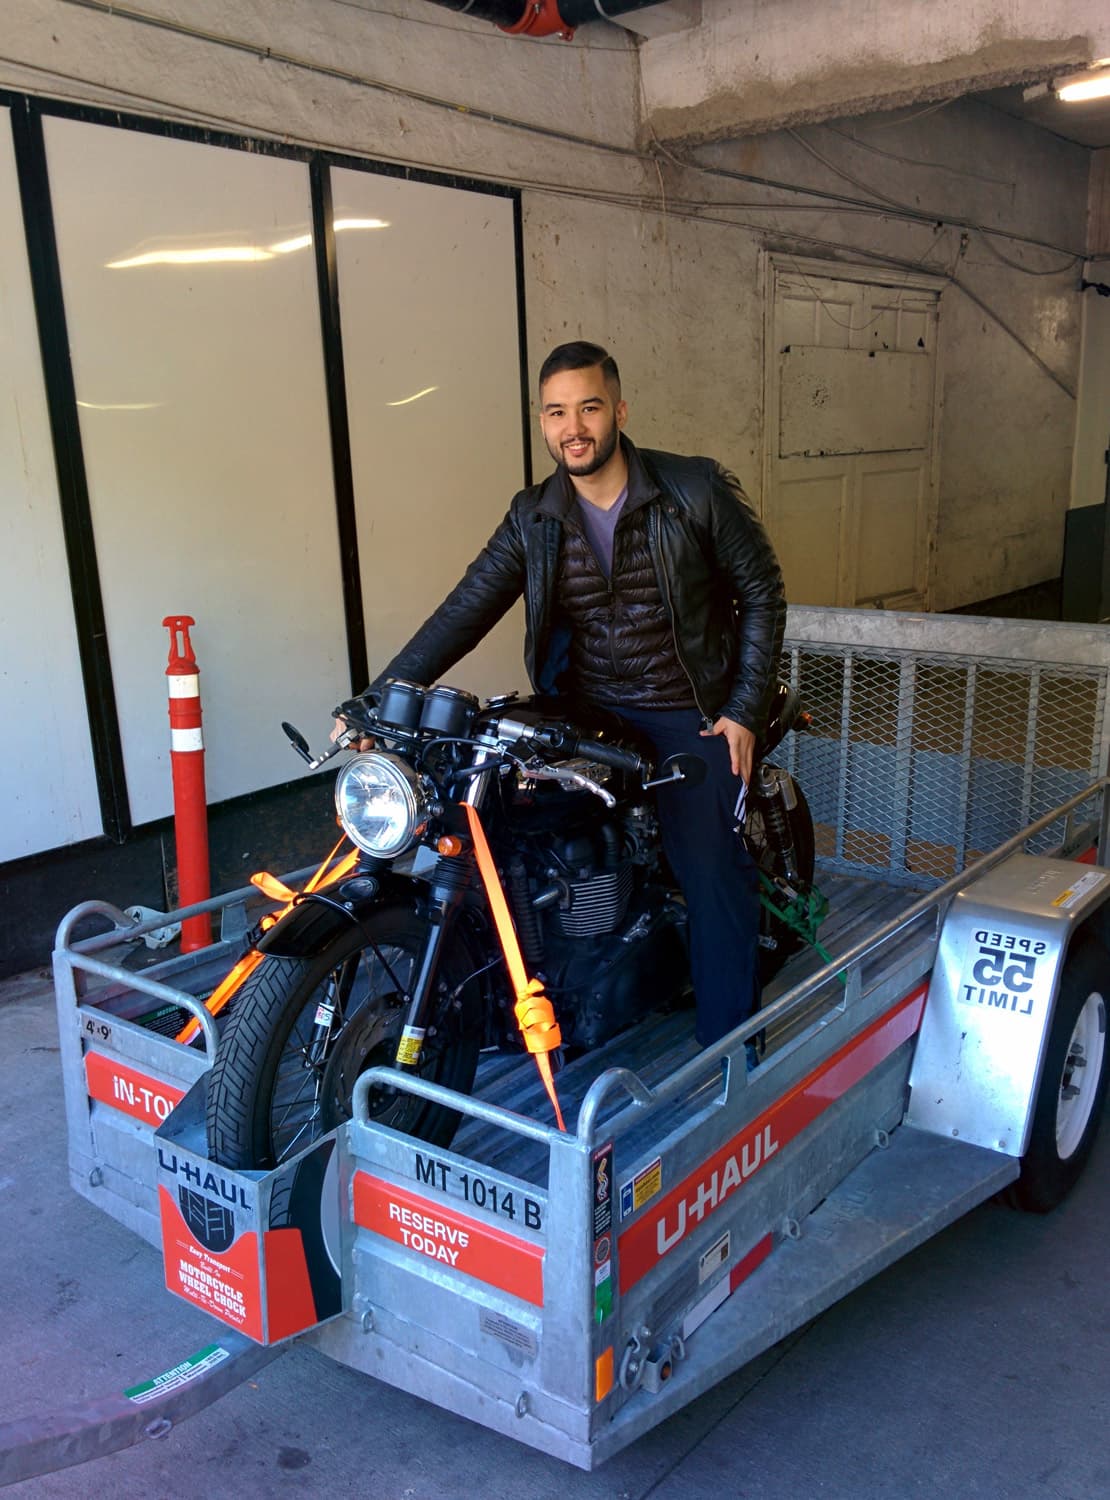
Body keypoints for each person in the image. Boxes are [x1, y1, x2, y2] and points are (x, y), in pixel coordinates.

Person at [341, 340, 786, 1047]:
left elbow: (762, 590)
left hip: (685, 710)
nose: (572, 426)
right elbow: (466, 607)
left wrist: (742, 711)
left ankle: (731, 1046)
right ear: (542, 422)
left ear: (618, 410)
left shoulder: (693, 490)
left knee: (709, 866)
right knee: (495, 814)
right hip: (582, 707)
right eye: (556, 412)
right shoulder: (535, 515)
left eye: (588, 407)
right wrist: (381, 697)